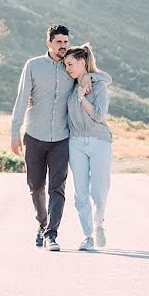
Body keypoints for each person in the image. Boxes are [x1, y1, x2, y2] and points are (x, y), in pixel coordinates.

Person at [11, 24, 111, 251]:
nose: (63, 46)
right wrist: (14, 133)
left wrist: (88, 80)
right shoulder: (33, 66)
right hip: (34, 135)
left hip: (61, 139)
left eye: (66, 42)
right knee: (36, 186)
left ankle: (51, 234)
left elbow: (103, 77)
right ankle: (42, 224)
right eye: (59, 42)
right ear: (49, 43)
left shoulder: (72, 70)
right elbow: (21, 99)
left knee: (58, 188)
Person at [62, 43, 113, 251]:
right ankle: (88, 236)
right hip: (75, 142)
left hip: (100, 141)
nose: (68, 69)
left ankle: (99, 222)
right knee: (80, 193)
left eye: (71, 64)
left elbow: (99, 115)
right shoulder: (70, 87)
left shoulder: (99, 86)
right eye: (65, 65)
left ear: (83, 62)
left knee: (99, 191)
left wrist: (83, 98)